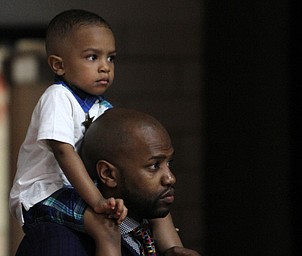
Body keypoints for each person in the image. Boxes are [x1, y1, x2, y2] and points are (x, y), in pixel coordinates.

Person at [9, 9, 183, 256]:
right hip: (44, 193)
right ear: (58, 65)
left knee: (151, 201)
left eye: (110, 58)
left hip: (77, 191)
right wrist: (98, 202)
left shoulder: (101, 107)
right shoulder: (57, 97)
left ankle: (172, 249)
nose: (105, 67)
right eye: (92, 57)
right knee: (105, 225)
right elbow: (63, 151)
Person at [16, 108, 201, 256]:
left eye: (169, 163)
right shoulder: (57, 239)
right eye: (154, 166)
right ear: (108, 174)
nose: (170, 178)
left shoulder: (153, 240)